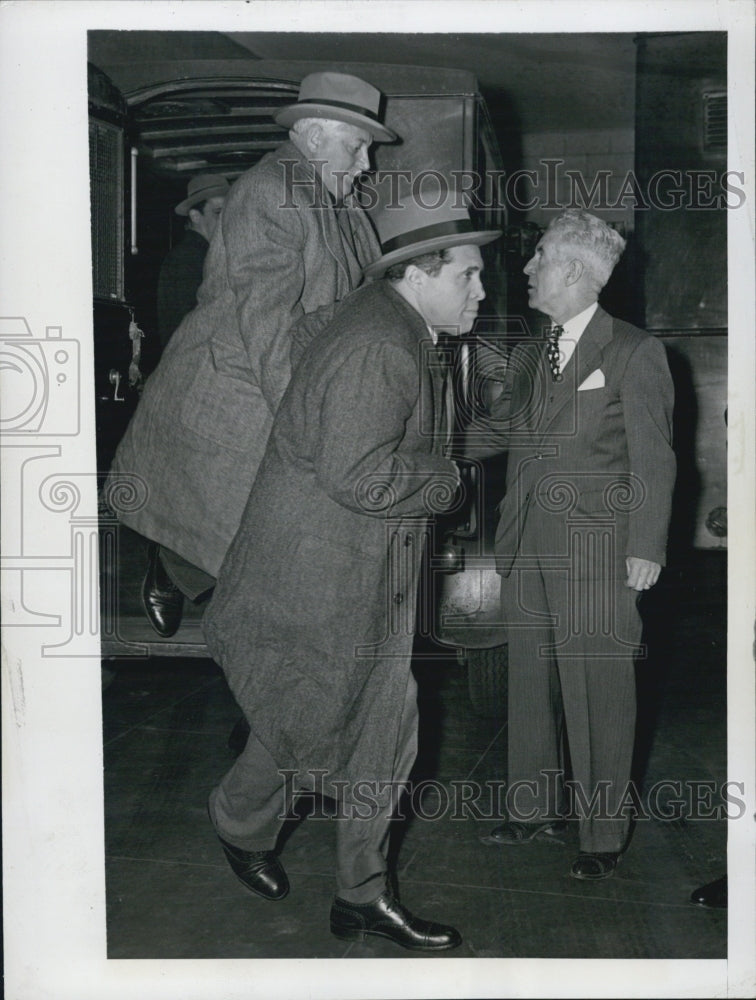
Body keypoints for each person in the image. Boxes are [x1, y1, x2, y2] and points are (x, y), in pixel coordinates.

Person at [202, 181, 501, 950]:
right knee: (335, 714)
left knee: (363, 720)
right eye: (467, 273)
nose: (482, 287)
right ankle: (265, 838)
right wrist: (446, 479)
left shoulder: (387, 325)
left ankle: (352, 890)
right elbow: (359, 475)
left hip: (348, 568)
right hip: (316, 578)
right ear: (419, 273)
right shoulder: (381, 344)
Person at [106, 72, 394, 637]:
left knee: (269, 560)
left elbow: (368, 295)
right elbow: (268, 322)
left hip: (281, 380)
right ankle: (173, 568)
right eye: (358, 147)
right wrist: (307, 418)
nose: (367, 165)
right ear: (314, 138)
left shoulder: (342, 203)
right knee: (251, 549)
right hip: (235, 394)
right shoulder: (270, 191)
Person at [467, 209, 676, 880]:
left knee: (598, 687)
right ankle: (532, 807)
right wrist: (422, 446)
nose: (527, 269)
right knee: (530, 679)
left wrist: (647, 546)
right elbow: (500, 433)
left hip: (598, 545)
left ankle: (602, 833)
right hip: (529, 539)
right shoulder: (533, 352)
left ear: (577, 273)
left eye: (539, 260)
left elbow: (655, 457)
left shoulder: (635, 351)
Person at [156, 174, 230, 349]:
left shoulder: (201, 254)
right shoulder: (189, 258)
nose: (226, 220)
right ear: (196, 216)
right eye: (218, 212)